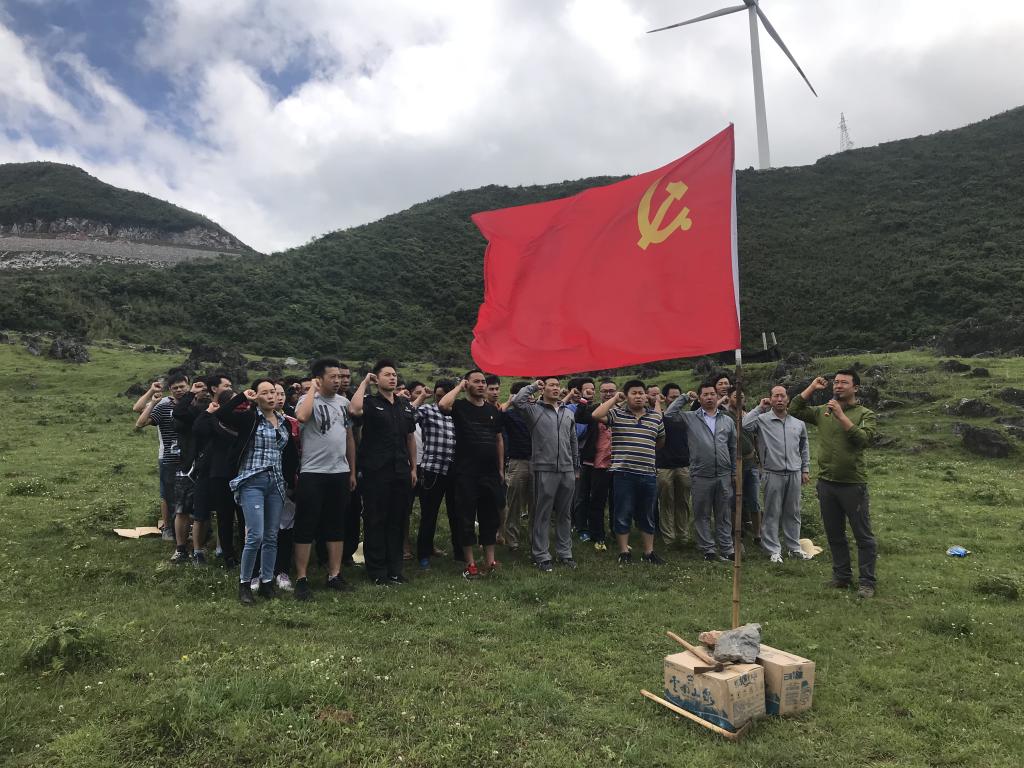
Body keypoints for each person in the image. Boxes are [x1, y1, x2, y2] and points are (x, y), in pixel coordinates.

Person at [790, 371, 878, 597]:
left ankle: (867, 582)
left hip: (853, 484)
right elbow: (795, 409)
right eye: (836, 382)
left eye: (844, 383)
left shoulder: (865, 413)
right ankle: (842, 576)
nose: (838, 386)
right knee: (834, 534)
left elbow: (864, 440)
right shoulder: (823, 411)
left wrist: (840, 416)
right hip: (827, 483)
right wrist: (811, 388)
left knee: (863, 535)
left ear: (855, 388)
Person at [216, 378, 299, 605]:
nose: (271, 396)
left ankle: (266, 582)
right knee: (255, 535)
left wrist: (291, 480)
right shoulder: (249, 418)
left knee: (272, 535)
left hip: (276, 483)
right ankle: (244, 584)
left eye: (273, 392)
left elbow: (288, 454)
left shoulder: (284, 422)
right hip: (252, 481)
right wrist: (242, 397)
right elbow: (221, 415)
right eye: (265, 393)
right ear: (256, 396)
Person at [291, 359, 356, 600]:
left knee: (336, 524)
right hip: (313, 472)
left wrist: (351, 470)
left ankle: (334, 574)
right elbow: (301, 417)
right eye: (333, 377)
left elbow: (349, 438)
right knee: (306, 525)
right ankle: (301, 578)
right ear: (320, 378)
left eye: (340, 376)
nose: (338, 381)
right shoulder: (308, 400)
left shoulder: (344, 403)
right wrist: (312, 390)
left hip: (339, 472)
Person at [350, 360, 417, 586]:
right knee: (375, 519)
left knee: (397, 519)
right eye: (387, 374)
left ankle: (395, 569)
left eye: (394, 374)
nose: (392, 378)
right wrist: (365, 382)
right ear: (377, 379)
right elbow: (354, 410)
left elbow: (410, 437)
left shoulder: (404, 405)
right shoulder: (370, 402)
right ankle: (377, 570)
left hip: (401, 470)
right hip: (376, 471)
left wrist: (413, 467)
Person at [589, 380, 666, 565]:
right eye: (634, 393)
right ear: (627, 395)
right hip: (623, 473)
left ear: (646, 395)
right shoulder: (617, 414)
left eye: (641, 393)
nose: (638, 396)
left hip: (648, 472)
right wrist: (616, 398)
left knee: (647, 513)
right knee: (622, 512)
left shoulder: (655, 417)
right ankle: (624, 552)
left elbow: (661, 440)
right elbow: (596, 414)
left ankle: (649, 552)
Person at [438, 371, 505, 579]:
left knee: (490, 517)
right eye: (476, 382)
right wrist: (459, 387)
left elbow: (498, 440)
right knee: (466, 518)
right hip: (466, 473)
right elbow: (443, 405)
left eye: (483, 382)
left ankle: (490, 560)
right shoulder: (459, 406)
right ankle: (471, 563)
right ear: (468, 384)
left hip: (490, 473)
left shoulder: (492, 410)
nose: (482, 385)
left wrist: (500, 469)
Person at [510, 377, 581, 571]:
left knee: (565, 514)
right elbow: (517, 401)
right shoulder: (534, 411)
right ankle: (541, 555)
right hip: (543, 468)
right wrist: (533, 386)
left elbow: (573, 441)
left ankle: (565, 553)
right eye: (551, 385)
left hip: (567, 469)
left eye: (558, 385)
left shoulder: (568, 412)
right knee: (542, 513)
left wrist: (576, 466)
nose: (556, 388)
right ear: (543, 390)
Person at [664, 380, 736, 562]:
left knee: (723, 513)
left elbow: (733, 448)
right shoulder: (690, 417)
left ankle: (727, 548)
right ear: (700, 398)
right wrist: (684, 397)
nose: (709, 397)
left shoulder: (727, 420)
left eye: (712, 394)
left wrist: (734, 472)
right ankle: (707, 548)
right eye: (705, 394)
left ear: (717, 396)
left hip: (724, 474)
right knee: (702, 513)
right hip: (701, 474)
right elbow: (669, 414)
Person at [743, 385, 811, 563]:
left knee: (793, 512)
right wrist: (760, 407)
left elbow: (804, 448)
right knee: (772, 512)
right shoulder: (762, 420)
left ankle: (794, 547)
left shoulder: (798, 423)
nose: (779, 399)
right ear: (770, 399)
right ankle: (773, 549)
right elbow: (745, 425)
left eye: (782, 396)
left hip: (794, 472)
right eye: (775, 396)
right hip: (772, 472)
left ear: (788, 399)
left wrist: (805, 469)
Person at [134, 371, 191, 545]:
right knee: (168, 495)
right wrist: (152, 394)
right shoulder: (164, 404)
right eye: (175, 388)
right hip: (168, 456)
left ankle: (186, 528)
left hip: (190, 457)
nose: (179, 390)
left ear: (189, 385)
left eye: (182, 386)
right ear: (170, 389)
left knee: (189, 495)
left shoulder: (195, 402)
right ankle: (169, 528)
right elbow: (138, 413)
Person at [192, 388, 243, 568]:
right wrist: (209, 411)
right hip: (220, 474)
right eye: (234, 401)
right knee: (225, 516)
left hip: (242, 473)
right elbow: (198, 428)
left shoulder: (244, 419)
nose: (238, 405)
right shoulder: (215, 421)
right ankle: (228, 555)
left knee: (243, 517)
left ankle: (245, 552)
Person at [411, 380, 459, 569]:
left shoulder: (458, 413)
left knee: (456, 514)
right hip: (432, 470)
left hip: (454, 471)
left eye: (444, 396)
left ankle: (459, 553)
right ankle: (424, 554)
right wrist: (422, 397)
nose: (441, 400)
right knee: (429, 515)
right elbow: (407, 417)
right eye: (438, 396)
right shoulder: (428, 410)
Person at [574, 378, 617, 551]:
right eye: (604, 391)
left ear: (616, 392)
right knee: (596, 500)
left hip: (619, 462)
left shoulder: (623, 410)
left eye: (611, 391)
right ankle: (597, 535)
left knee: (617, 501)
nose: (608, 394)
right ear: (600, 393)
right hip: (597, 462)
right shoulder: (595, 409)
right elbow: (579, 417)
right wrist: (584, 398)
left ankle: (617, 532)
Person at [656, 383, 692, 551]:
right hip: (664, 466)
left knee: (683, 502)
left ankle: (683, 537)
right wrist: (684, 397)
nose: (676, 400)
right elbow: (669, 413)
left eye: (678, 397)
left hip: (684, 464)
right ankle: (669, 539)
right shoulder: (661, 415)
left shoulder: (686, 417)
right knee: (666, 502)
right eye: (673, 397)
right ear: (665, 399)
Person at [500, 381, 533, 552]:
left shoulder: (536, 413)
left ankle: (535, 538)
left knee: (536, 503)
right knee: (514, 503)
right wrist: (510, 401)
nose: (529, 398)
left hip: (537, 462)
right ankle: (512, 540)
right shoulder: (510, 414)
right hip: (517, 462)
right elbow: (498, 415)